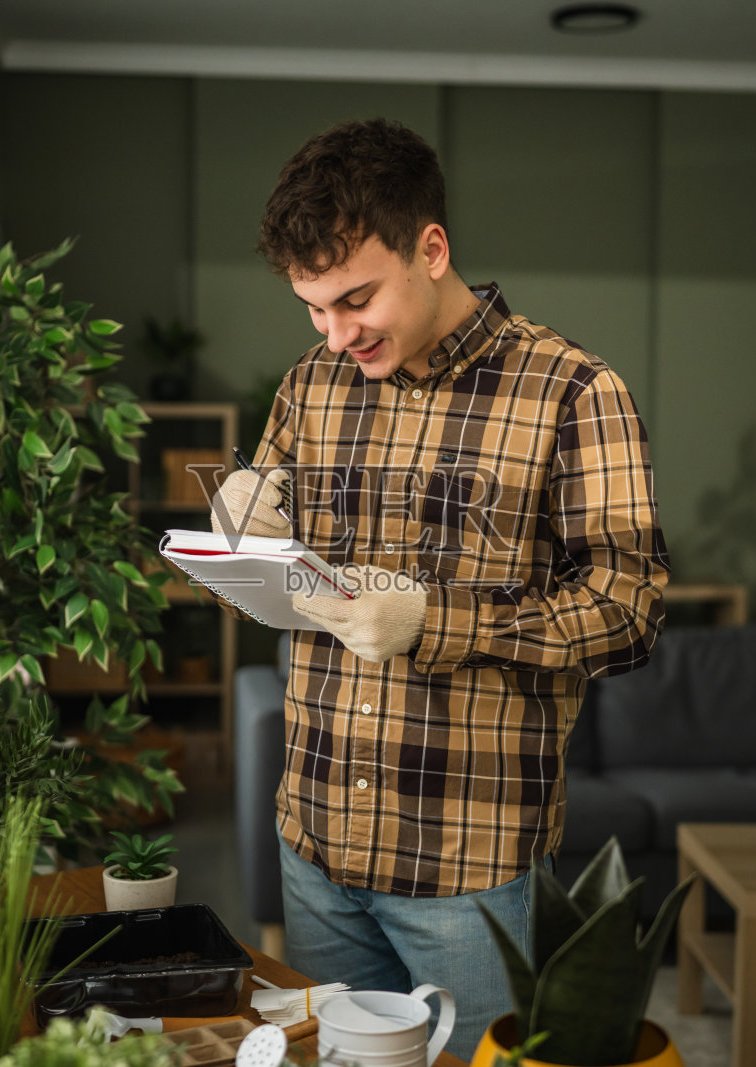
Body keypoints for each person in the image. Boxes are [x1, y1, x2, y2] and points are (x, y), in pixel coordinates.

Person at [210, 117, 669, 1057]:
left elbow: (631, 613)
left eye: (355, 299)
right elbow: (263, 577)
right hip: (316, 842)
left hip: (472, 867)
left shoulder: (575, 393)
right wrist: (240, 521)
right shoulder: (310, 386)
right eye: (312, 308)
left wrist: (434, 620)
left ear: (431, 248)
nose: (336, 336)